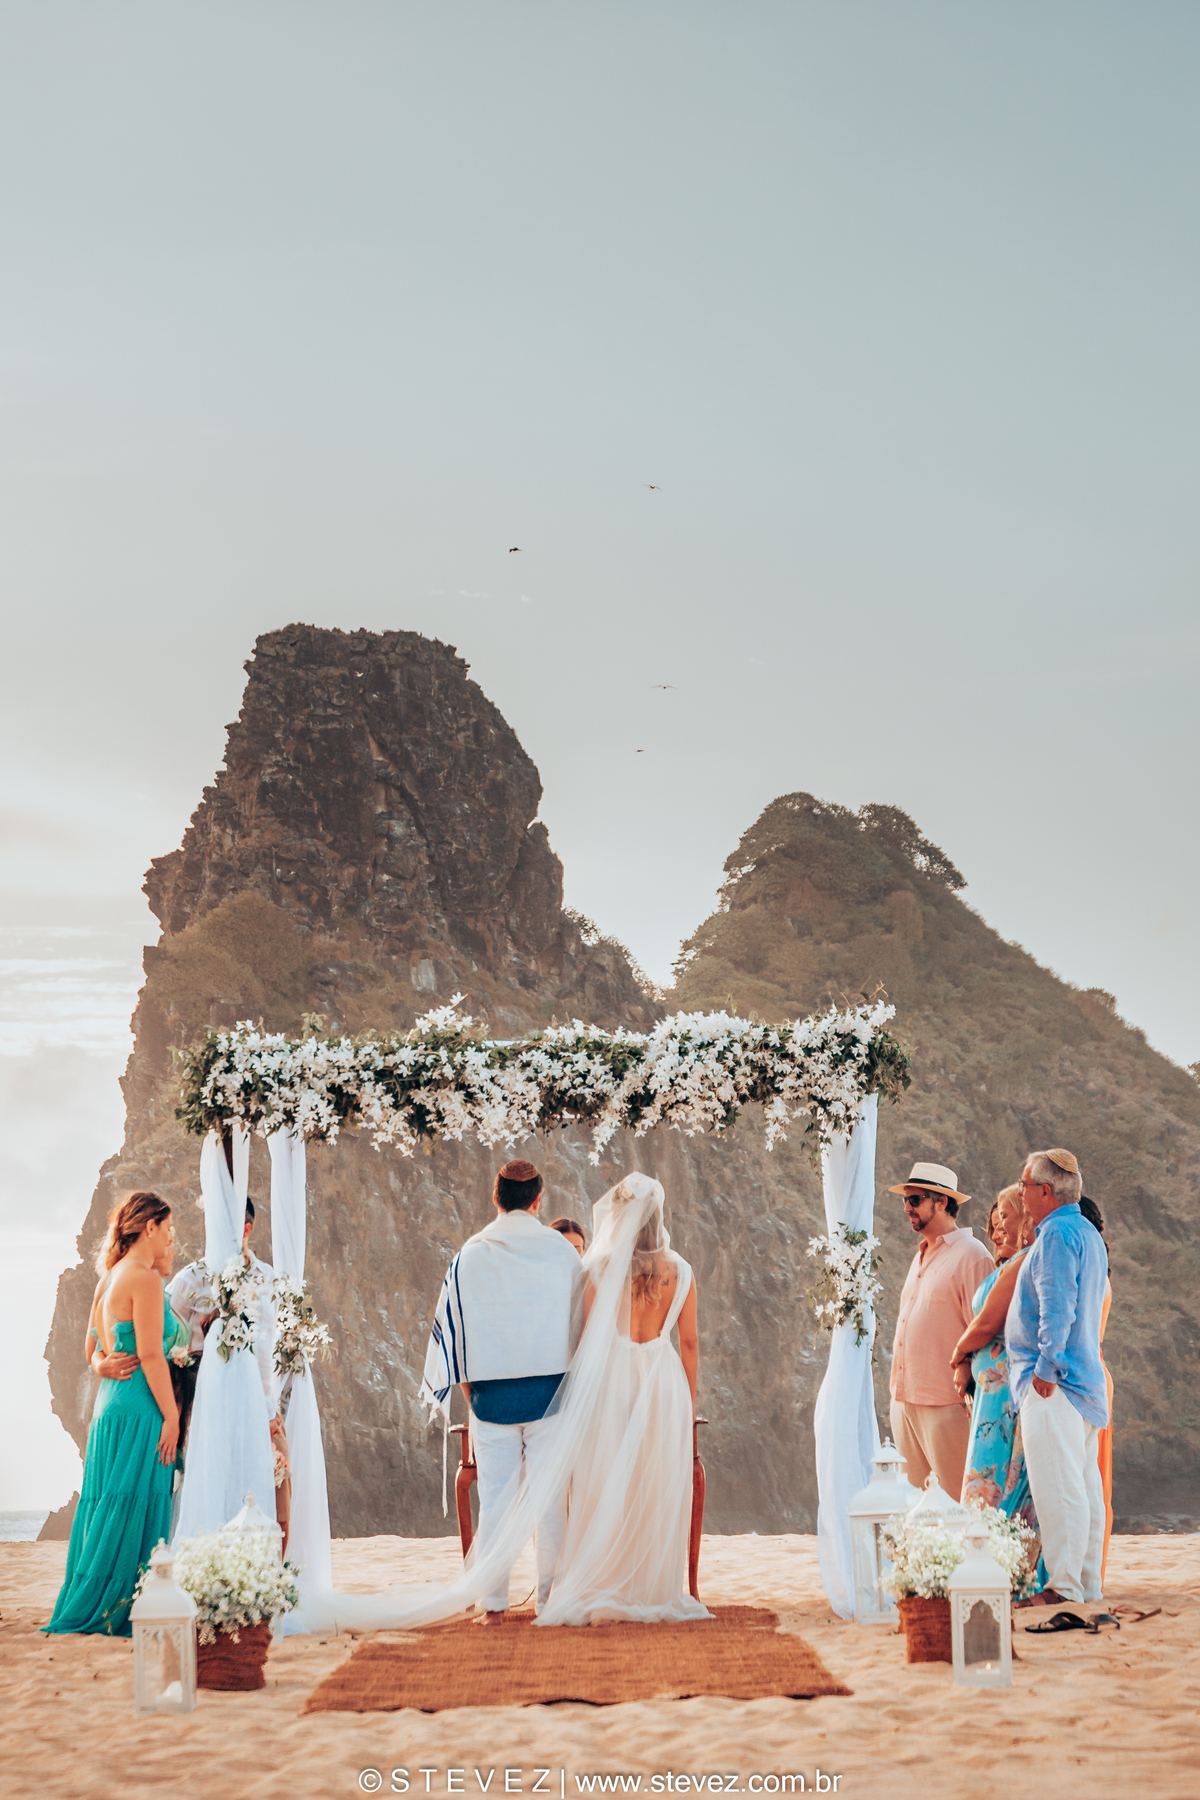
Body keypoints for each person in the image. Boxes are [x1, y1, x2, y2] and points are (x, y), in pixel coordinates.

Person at [421, 1159, 584, 1617]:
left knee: (495, 1502)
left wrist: (470, 1391)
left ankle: (493, 1600)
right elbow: (581, 1327)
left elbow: (453, 1330)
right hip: (551, 1397)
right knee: (552, 1502)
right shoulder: (561, 1253)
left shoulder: (470, 1254)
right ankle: (550, 1599)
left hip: (490, 1399)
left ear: (497, 1198)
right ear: (537, 1200)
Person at [44, 1193, 181, 1637]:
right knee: (137, 1498)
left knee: (108, 1501)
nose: (171, 1235)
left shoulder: (109, 1279)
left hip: (108, 1405)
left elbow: (92, 1351)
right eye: (168, 1227)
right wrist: (173, 1416)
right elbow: (151, 1356)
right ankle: (122, 1606)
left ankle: (96, 1597)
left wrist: (102, 1365)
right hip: (140, 1407)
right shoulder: (142, 1278)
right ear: (150, 1228)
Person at [1007, 1148, 1108, 1611]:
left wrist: (1045, 1372)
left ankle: (1064, 1586)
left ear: (1045, 1192)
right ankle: (1085, 1585)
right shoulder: (1086, 1232)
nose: (1022, 1192)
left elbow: (1058, 1308)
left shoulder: (1055, 1237)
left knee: (1060, 1487)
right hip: (1083, 1381)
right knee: (1084, 1487)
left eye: (1026, 1185)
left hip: (1056, 1383)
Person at [951, 1185, 1045, 1588]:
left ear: (1025, 1218)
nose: (997, 1230)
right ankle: (985, 1563)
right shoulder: (1007, 1265)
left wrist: (958, 1356)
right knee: (988, 1471)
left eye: (1004, 1217)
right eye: (993, 1224)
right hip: (989, 1389)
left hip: (1005, 1388)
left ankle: (1004, 1569)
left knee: (1001, 1474)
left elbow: (988, 1324)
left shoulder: (1026, 1262)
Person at [888, 1160, 994, 1496]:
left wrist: (969, 1392)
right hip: (905, 1399)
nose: (907, 1208)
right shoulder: (919, 1256)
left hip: (947, 1404)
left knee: (956, 1502)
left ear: (942, 1202)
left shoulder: (973, 1256)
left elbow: (984, 1327)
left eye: (915, 1199)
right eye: (906, 1200)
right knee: (916, 1506)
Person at [1079, 1195, 1114, 1584]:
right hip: (1096, 1371)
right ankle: (1094, 1569)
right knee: (1095, 1477)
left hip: (1086, 1374)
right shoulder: (1100, 1269)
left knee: (1091, 1476)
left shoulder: (1088, 1270)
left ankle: (1093, 1569)